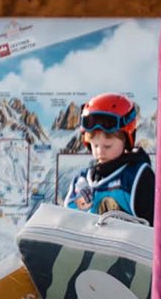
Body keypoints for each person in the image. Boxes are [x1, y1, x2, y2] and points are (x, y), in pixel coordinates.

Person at [63, 93, 155, 223]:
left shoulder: (136, 177)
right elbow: (68, 221)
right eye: (95, 145)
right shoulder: (82, 180)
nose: (100, 151)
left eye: (108, 146)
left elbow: (153, 229)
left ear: (126, 141)